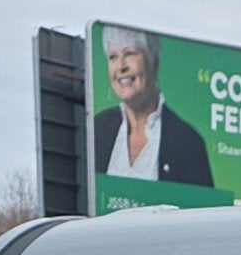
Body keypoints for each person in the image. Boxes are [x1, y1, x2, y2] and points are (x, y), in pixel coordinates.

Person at [91, 26, 215, 190]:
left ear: (153, 60)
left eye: (130, 53)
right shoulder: (96, 130)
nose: (121, 66)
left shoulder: (187, 141)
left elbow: (204, 210)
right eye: (113, 57)